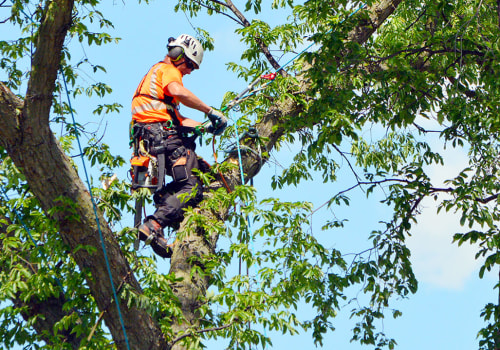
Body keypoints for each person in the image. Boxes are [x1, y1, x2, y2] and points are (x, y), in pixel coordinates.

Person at [130, 34, 227, 258]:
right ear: (178, 55)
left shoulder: (155, 83)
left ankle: (164, 202)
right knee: (193, 186)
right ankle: (155, 223)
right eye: (190, 65)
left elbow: (179, 119)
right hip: (160, 136)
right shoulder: (168, 70)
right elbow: (179, 92)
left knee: (198, 177)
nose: (190, 71)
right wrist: (209, 111)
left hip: (153, 137)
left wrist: (205, 126)